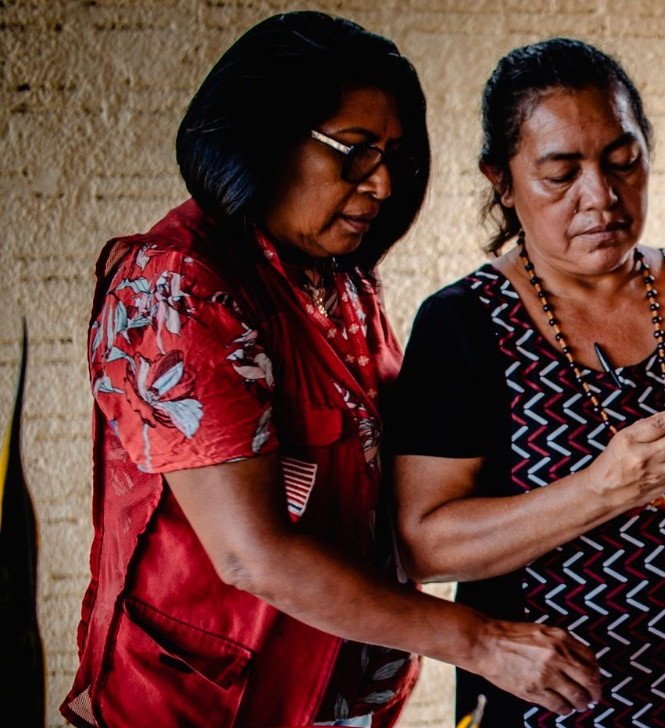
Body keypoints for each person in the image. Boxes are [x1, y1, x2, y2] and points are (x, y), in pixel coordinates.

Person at [69, 12, 601, 727]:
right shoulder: (174, 289)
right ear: (263, 134)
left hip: (337, 697)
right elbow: (250, 555)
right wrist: (480, 641)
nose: (381, 185)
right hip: (212, 706)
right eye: (353, 152)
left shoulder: (338, 280)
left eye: (395, 158)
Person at [384, 37, 665, 727]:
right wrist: (601, 490)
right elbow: (422, 543)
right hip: (548, 699)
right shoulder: (464, 324)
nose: (601, 197)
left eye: (623, 161)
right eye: (560, 174)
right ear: (500, 181)